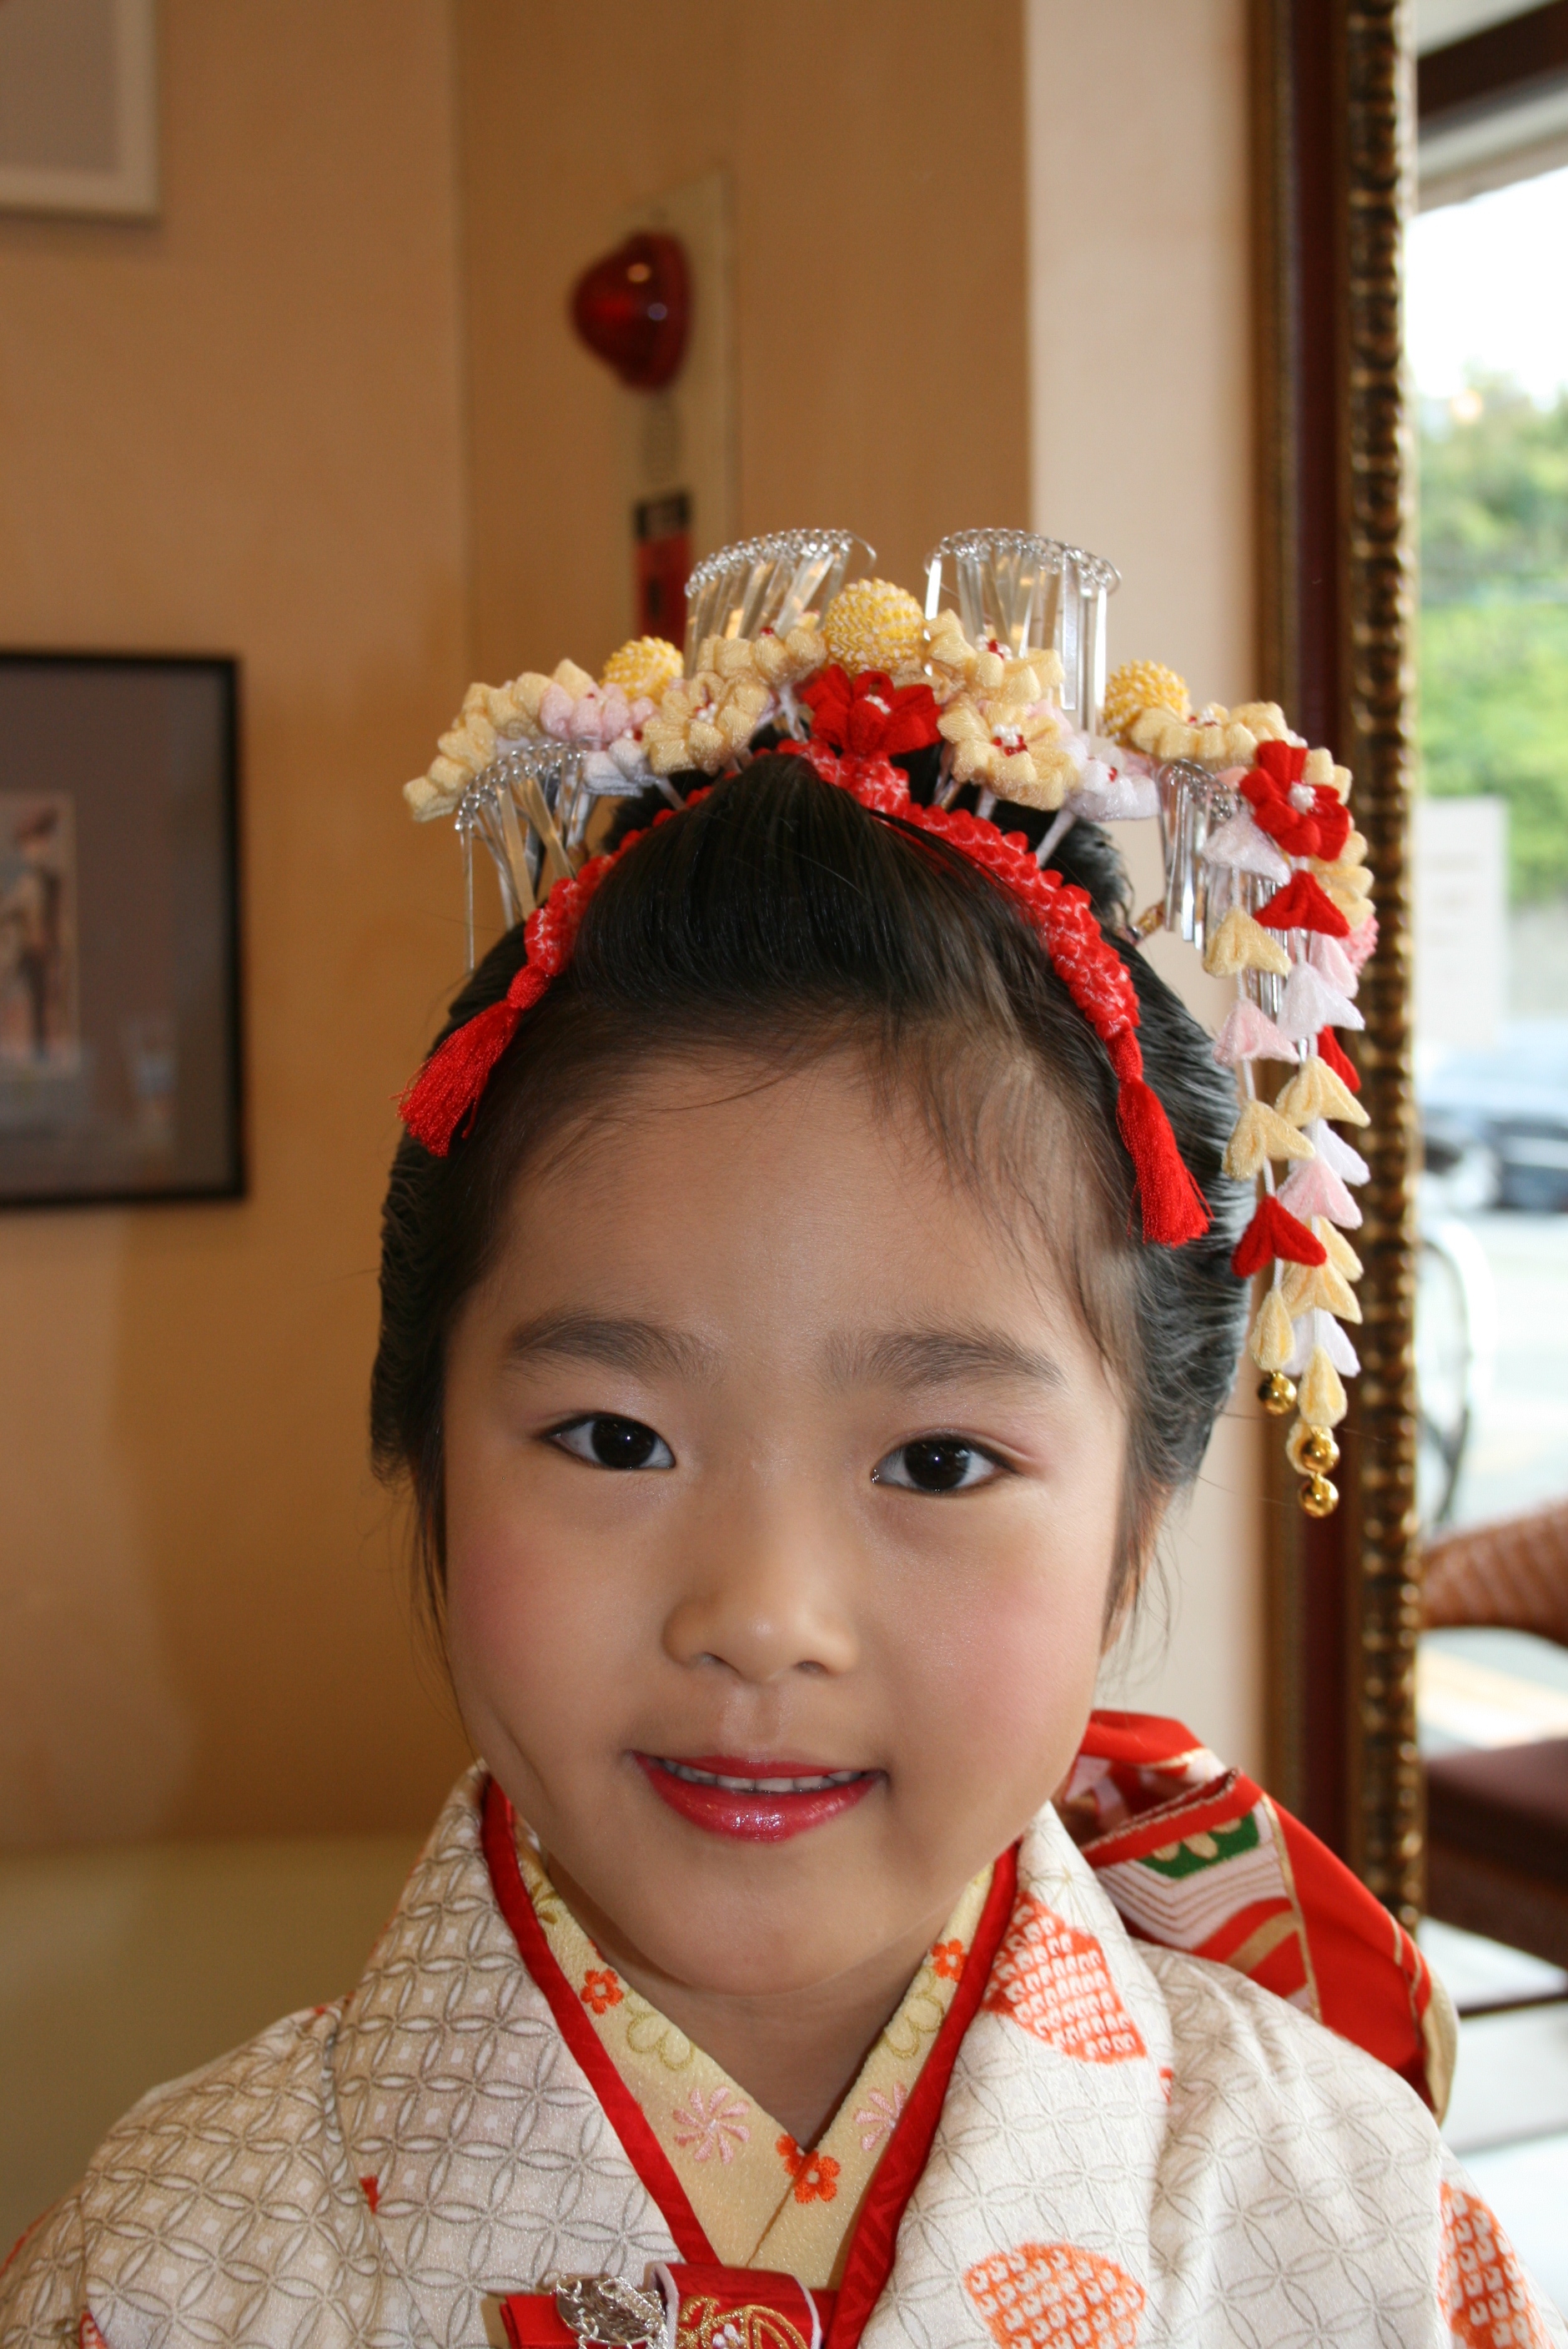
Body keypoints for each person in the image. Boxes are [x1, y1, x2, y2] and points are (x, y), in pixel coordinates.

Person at [4, 539, 1560, 2349]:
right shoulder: (166, 2275)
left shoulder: (1354, 2226)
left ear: (1139, 1512)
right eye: (615, 1436)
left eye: (938, 1461)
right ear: (422, 1443)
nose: (760, 1615)